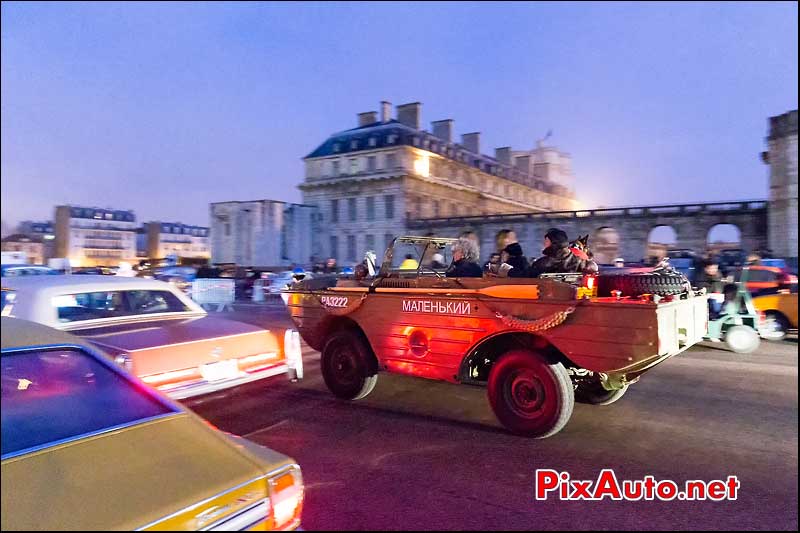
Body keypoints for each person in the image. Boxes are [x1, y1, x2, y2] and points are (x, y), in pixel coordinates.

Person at [529, 228, 596, 277]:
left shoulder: (541, 264)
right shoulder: (580, 261)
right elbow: (593, 269)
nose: (544, 243)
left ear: (554, 243)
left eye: (546, 241)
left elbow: (529, 279)